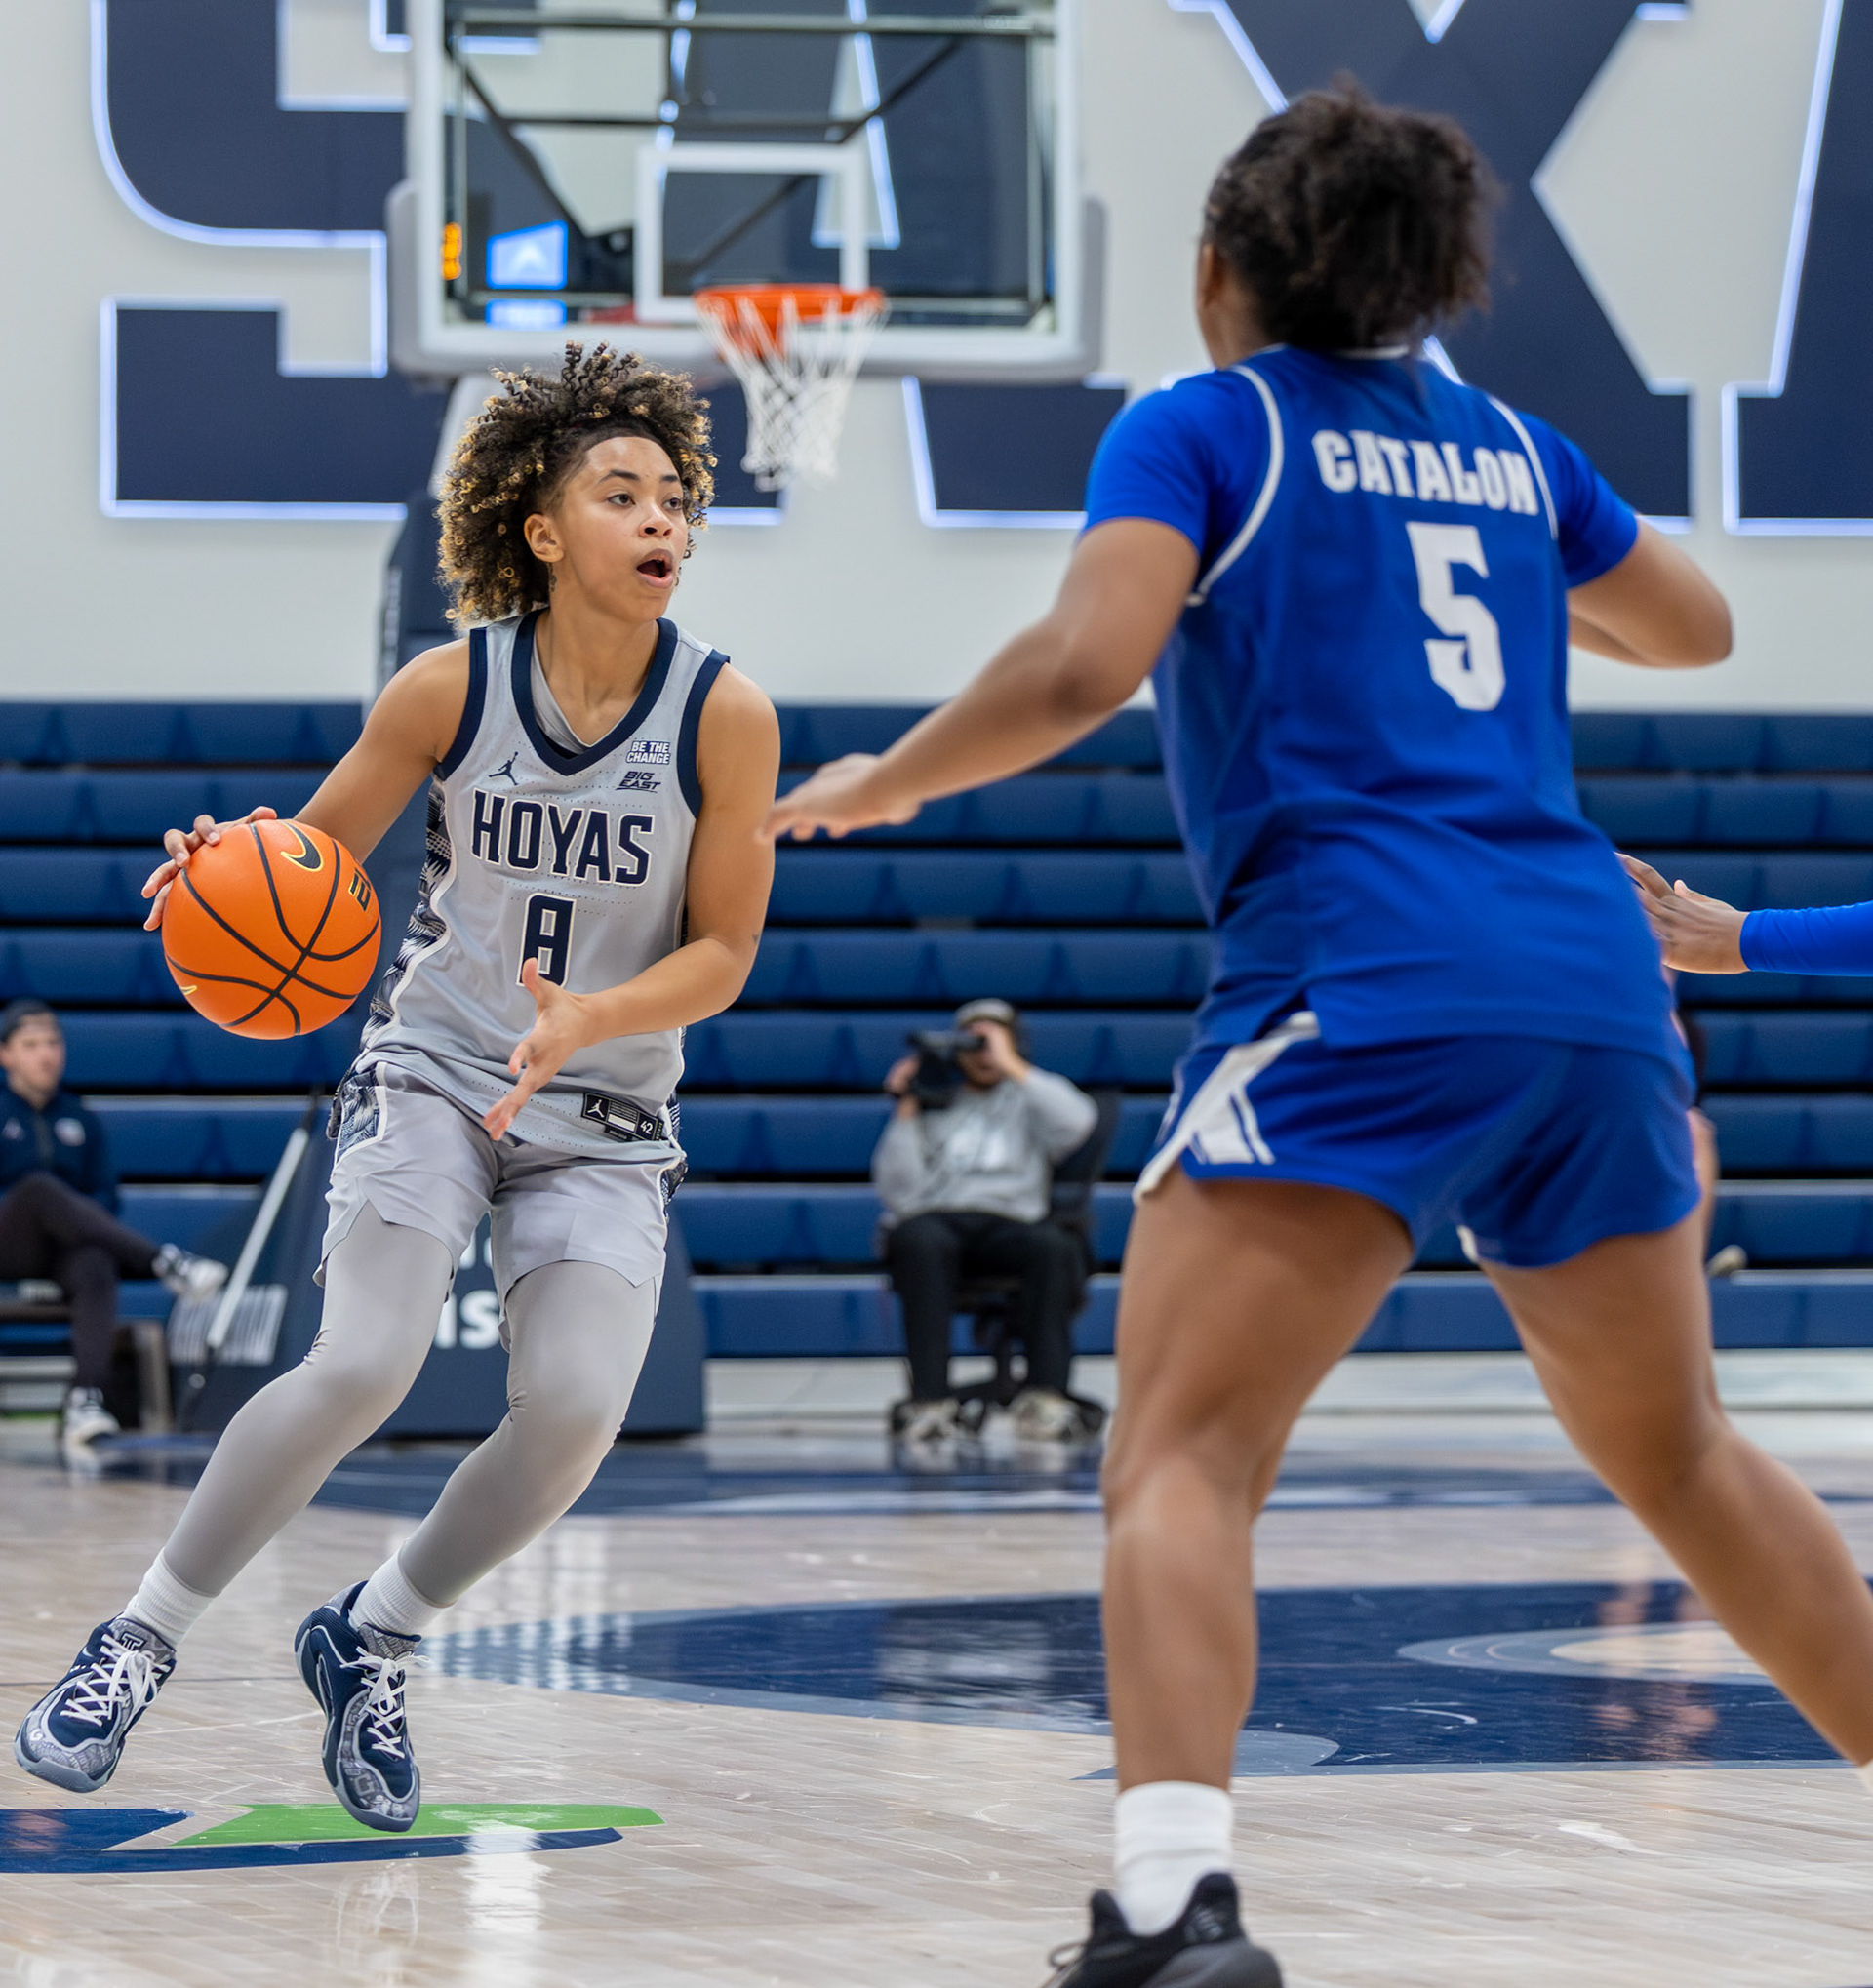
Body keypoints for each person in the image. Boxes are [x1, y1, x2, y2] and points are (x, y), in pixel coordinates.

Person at [768, 89, 1873, 1988]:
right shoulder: (1515, 451)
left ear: (1219, 268)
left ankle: (1170, 1901)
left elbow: (1085, 662)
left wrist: (890, 779)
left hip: (1369, 974)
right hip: (1595, 982)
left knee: (1183, 1456)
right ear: (1432, 279)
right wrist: (1501, 552)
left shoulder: (1207, 423)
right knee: (1682, 1451)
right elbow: (1690, 626)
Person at [16, 346, 780, 1832]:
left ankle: (372, 1635)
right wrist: (220, 876)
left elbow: (727, 951)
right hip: (435, 1069)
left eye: (674, 498)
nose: (660, 519)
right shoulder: (449, 686)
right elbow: (304, 861)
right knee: (364, 1359)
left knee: (574, 1415)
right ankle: (138, 1639)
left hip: (606, 1111)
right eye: (620, 493)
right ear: (540, 530)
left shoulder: (724, 715)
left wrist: (597, 1015)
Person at [0, 999, 226, 1452]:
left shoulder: (78, 1115)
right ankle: (162, 1261)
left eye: (53, 1043)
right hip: (8, 1240)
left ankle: (85, 1399)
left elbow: (105, 1195)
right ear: (6, 1054)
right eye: (31, 1044)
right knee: (38, 1190)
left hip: (62, 1250)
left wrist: (72, 1220)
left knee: (96, 1261)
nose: (46, 1054)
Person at [875, 998, 1098, 1443]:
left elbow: (1079, 1123)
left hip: (1011, 1222)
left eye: (990, 1041)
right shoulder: (936, 1103)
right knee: (915, 1237)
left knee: (1055, 1245)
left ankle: (1046, 1397)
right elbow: (897, 1192)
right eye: (971, 1043)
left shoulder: (1032, 1101)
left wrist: (1012, 1064)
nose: (980, 1053)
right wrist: (907, 1106)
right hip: (941, 1222)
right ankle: (930, 1400)